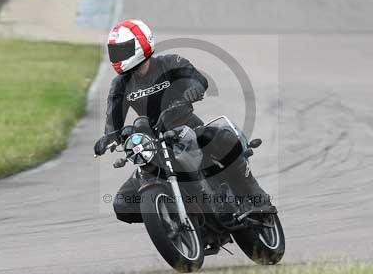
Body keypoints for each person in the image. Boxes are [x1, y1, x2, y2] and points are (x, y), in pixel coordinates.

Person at [93, 19, 274, 224]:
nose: (118, 56)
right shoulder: (120, 84)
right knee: (122, 204)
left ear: (141, 43)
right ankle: (178, 218)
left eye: (123, 50)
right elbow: (113, 120)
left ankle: (257, 197)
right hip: (152, 144)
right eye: (115, 51)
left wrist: (193, 89)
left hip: (187, 126)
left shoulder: (169, 62)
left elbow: (196, 78)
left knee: (224, 138)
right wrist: (108, 138)